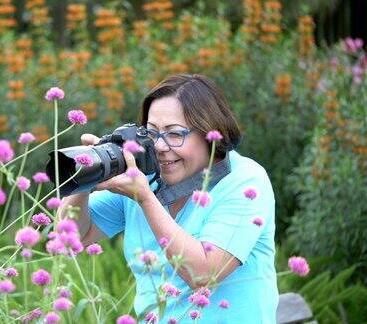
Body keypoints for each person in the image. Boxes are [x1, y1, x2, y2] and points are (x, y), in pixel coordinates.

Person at [59, 74, 278, 323]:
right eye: (151, 133)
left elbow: (203, 275)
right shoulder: (143, 174)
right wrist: (86, 174)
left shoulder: (245, 181)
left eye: (174, 134)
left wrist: (145, 199)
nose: (160, 147)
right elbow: (70, 240)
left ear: (210, 133)